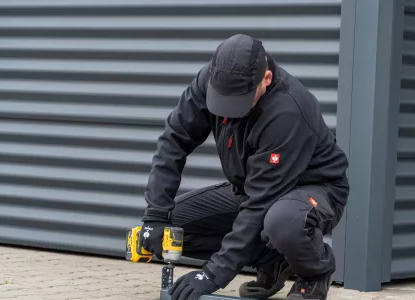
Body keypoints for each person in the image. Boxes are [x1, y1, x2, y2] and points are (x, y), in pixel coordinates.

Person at [139, 34, 349, 300]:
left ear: (267, 79)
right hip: (254, 189)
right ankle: (272, 259)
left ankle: (314, 273)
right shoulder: (211, 79)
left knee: (283, 222)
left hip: (313, 191)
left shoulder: (288, 111)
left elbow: (260, 204)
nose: (229, 110)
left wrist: (212, 274)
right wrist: (155, 215)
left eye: (240, 100)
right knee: (175, 227)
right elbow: (173, 142)